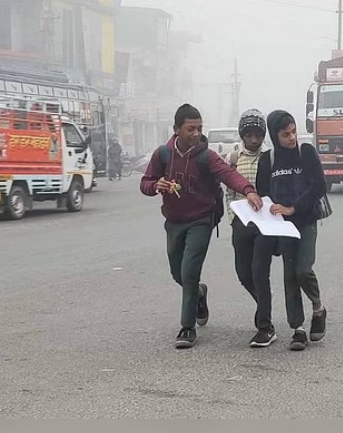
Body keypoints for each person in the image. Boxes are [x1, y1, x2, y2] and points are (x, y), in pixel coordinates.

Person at [140, 104, 263, 349]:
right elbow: (145, 183)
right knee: (178, 272)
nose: (196, 134)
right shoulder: (162, 155)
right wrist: (157, 186)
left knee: (189, 271)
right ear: (176, 130)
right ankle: (198, 293)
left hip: (201, 220)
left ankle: (187, 327)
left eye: (199, 129)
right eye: (190, 129)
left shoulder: (207, 156)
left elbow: (229, 175)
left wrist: (248, 190)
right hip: (174, 222)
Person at [256, 110, 327, 351]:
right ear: (275, 136)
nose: (292, 138)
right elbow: (263, 193)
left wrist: (293, 208)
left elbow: (319, 185)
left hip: (306, 220)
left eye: (294, 131)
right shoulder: (269, 160)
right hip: (283, 227)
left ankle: (318, 308)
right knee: (289, 276)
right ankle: (298, 329)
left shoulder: (305, 152)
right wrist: (271, 211)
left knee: (303, 270)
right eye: (285, 134)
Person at [226, 109, 278, 347]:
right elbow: (229, 194)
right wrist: (232, 219)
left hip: (265, 225)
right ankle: (263, 304)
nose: (254, 140)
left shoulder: (271, 157)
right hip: (241, 224)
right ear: (243, 135)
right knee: (244, 274)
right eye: (249, 135)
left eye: (258, 134)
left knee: (259, 273)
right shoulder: (234, 159)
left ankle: (265, 327)